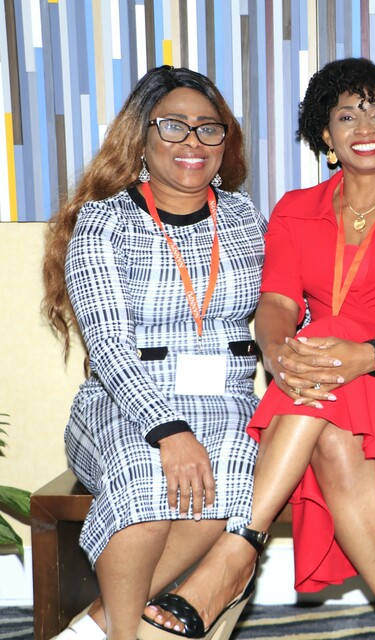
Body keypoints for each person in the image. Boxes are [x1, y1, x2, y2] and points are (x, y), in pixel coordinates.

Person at [139, 58, 375, 639]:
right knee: (332, 434)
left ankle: (240, 545)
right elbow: (278, 304)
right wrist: (277, 354)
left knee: (322, 346)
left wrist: (369, 354)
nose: (364, 127)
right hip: (325, 375)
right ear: (326, 135)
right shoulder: (295, 208)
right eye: (346, 116)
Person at [40, 66, 265, 640]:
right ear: (140, 138)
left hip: (228, 402)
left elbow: (284, 307)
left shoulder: (245, 217)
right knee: (143, 477)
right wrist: (170, 431)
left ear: (225, 141)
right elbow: (107, 344)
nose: (193, 141)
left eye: (208, 128)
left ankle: (96, 626)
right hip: (125, 401)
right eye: (173, 126)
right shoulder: (105, 220)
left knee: (236, 477)